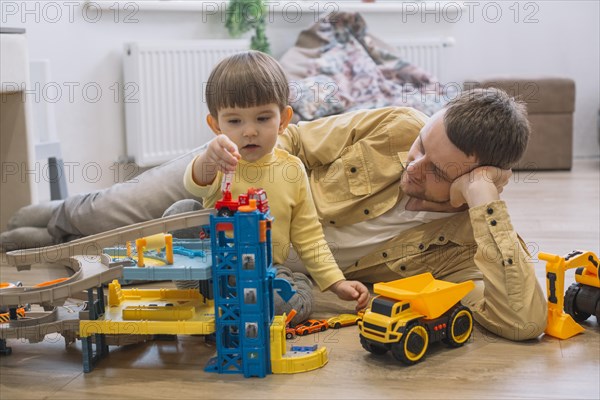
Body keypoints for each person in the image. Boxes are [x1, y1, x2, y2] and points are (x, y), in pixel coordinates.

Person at [1, 88, 547, 341]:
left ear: (482, 181)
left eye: (438, 171)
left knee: (129, 246)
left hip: (281, 262)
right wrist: (242, 172)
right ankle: (48, 219)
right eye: (422, 145)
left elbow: (523, 321)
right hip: (241, 179)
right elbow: (294, 138)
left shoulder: (470, 235)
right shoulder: (397, 126)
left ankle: (33, 237)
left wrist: (484, 208)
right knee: (107, 212)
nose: (414, 166)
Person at [176, 50, 369, 322]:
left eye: (263, 118)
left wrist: (336, 283)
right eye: (234, 121)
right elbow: (194, 185)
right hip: (212, 264)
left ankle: (293, 285)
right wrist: (208, 157)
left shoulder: (292, 170)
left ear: (284, 120)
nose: (250, 131)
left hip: (264, 270)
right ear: (215, 125)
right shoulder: (219, 161)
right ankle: (191, 286)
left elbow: (309, 235)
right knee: (181, 209)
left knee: (290, 306)